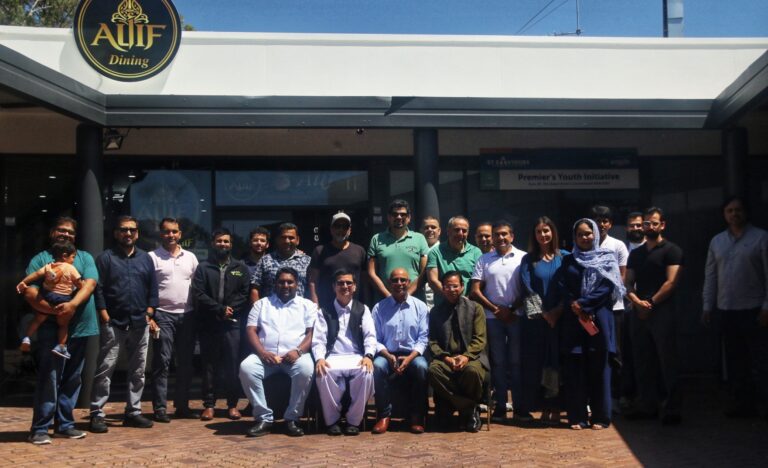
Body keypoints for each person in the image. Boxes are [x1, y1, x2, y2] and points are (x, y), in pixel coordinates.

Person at [24, 217, 98, 445]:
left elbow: (90, 284)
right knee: (50, 378)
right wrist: (59, 312)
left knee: (73, 379)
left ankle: (65, 425)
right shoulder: (41, 259)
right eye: (60, 230)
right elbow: (29, 292)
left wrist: (72, 305)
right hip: (50, 330)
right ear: (52, 233)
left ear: (75, 236)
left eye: (69, 232)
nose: (65, 234)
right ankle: (40, 428)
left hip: (82, 328)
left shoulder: (84, 257)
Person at [90, 216, 159, 433]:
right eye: (123, 230)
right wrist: (104, 315)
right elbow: (97, 288)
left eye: (132, 230)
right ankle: (97, 414)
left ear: (137, 233)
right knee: (105, 369)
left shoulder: (146, 259)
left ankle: (133, 412)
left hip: (140, 322)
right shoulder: (105, 258)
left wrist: (149, 312)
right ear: (116, 233)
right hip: (114, 322)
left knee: (138, 370)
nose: (128, 234)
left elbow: (153, 288)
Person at [702, 196, 768, 418]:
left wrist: (767, 307)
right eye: (729, 211)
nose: (734, 214)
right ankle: (742, 404)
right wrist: (707, 306)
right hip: (726, 309)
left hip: (755, 309)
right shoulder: (717, 241)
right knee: (735, 360)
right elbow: (710, 276)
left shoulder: (761, 238)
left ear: (745, 213)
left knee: (760, 359)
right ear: (724, 215)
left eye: (738, 210)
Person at [555, 218, 624, 430]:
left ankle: (601, 417)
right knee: (576, 368)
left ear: (595, 234)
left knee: (599, 368)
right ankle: (577, 417)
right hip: (574, 320)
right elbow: (561, 285)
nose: (585, 238)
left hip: (599, 318)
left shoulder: (607, 258)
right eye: (580, 234)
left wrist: (585, 304)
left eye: (588, 233)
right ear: (574, 237)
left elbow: (608, 286)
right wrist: (575, 305)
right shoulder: (569, 261)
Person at [239, 267, 316, 437]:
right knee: (247, 367)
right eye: (281, 282)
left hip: (296, 356)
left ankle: (292, 418)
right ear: (275, 284)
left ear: (297, 284)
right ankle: (264, 418)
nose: (286, 285)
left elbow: (312, 333)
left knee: (306, 369)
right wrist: (262, 353)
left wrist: (298, 351)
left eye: (290, 282)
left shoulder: (307, 305)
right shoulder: (261, 304)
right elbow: (251, 330)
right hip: (266, 356)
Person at [624, 207, 684, 425]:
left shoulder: (671, 250)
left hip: (662, 311)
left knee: (667, 360)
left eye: (654, 223)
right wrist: (636, 301)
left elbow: (671, 282)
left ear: (663, 225)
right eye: (646, 223)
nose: (649, 227)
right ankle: (647, 405)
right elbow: (628, 281)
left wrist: (651, 302)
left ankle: (671, 408)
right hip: (639, 311)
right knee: (642, 360)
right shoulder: (636, 254)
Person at [191, 227, 251, 421]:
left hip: (232, 324)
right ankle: (209, 405)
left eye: (226, 241)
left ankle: (232, 405)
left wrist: (229, 309)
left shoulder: (240, 268)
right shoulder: (203, 268)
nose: (222, 244)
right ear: (213, 243)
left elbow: (245, 292)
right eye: (219, 241)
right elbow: (198, 293)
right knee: (209, 366)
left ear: (231, 245)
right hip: (210, 323)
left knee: (232, 365)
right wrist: (219, 309)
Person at [469, 220, 525, 423]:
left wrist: (510, 309)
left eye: (505, 234)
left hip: (516, 316)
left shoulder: (522, 257)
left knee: (517, 363)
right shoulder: (484, 259)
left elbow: (527, 289)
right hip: (492, 318)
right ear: (492, 237)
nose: (501, 238)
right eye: (497, 235)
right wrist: (495, 309)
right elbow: (475, 290)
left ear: (512, 236)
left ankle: (520, 407)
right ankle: (500, 406)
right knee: (498, 363)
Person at [147, 217, 200, 422]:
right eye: (167, 231)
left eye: (174, 232)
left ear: (180, 234)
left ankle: (182, 406)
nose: (171, 235)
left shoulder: (191, 257)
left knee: (186, 363)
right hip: (162, 315)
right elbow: (147, 288)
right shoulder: (152, 257)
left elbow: (197, 287)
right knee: (162, 362)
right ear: (161, 234)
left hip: (187, 315)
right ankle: (160, 408)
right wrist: (150, 316)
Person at [312, 269, 376, 436]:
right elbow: (318, 340)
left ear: (354, 287)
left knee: (367, 372)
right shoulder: (323, 312)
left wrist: (368, 356)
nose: (345, 286)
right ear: (334, 287)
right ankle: (332, 420)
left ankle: (353, 421)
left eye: (349, 283)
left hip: (356, 356)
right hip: (333, 357)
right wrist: (319, 358)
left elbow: (370, 337)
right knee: (323, 372)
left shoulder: (363, 309)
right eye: (340, 283)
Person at [518, 216, 568, 425]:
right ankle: (541, 406)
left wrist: (557, 311)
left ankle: (557, 405)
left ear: (553, 232)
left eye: (546, 230)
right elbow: (526, 287)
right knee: (537, 364)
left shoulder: (565, 257)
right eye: (539, 232)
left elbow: (570, 285)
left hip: (561, 320)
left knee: (558, 362)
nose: (543, 235)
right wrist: (545, 313)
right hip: (537, 322)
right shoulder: (528, 260)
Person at [371, 268, 430, 435]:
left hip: (412, 355)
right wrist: (388, 356)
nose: (399, 284)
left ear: (408, 282)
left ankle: (416, 416)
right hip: (387, 354)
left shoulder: (420, 307)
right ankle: (384, 415)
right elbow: (374, 339)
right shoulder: (379, 308)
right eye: (395, 280)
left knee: (422, 367)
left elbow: (423, 338)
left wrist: (410, 358)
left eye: (403, 280)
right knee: (377, 367)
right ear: (389, 283)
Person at [428, 271, 489, 433]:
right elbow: (432, 341)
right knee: (433, 370)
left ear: (462, 287)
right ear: (442, 288)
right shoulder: (435, 312)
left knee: (472, 371)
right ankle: (470, 409)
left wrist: (466, 356)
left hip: (471, 357)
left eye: (455, 286)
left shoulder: (475, 308)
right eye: (447, 286)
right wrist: (446, 358)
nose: (451, 289)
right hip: (446, 358)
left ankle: (454, 406)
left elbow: (480, 339)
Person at [590, 205, 629, 411]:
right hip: (591, 309)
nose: (601, 224)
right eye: (597, 220)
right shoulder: (586, 243)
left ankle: (618, 395)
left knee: (616, 353)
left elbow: (622, 277)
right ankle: (595, 397)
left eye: (605, 220)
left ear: (610, 224)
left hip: (614, 307)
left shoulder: (618, 245)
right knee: (595, 353)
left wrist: (604, 294)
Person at [17, 241, 82, 358]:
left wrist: (23, 281)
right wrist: (81, 286)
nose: (73, 260)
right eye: (73, 257)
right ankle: (61, 346)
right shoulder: (70, 268)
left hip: (48, 297)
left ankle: (26, 338)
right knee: (63, 325)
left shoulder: (49, 266)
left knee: (38, 319)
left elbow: (36, 274)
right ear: (65, 256)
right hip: (63, 299)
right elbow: (78, 283)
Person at [367, 199, 429, 301]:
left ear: (409, 218)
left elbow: (424, 272)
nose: (399, 217)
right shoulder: (376, 239)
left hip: (414, 300)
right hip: (385, 301)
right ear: (389, 217)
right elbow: (371, 273)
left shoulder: (420, 238)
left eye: (403, 214)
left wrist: (407, 296)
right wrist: (389, 297)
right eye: (395, 214)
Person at [308, 212, 367, 311]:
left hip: (354, 308)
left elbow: (365, 282)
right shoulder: (320, 251)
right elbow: (313, 281)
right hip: (326, 308)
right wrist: (315, 306)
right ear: (331, 229)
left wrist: (366, 305)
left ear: (350, 230)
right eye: (337, 226)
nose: (341, 230)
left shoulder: (359, 251)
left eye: (345, 227)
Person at [427, 216, 482, 306]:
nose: (460, 233)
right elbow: (433, 281)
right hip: (443, 307)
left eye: (464, 231)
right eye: (457, 230)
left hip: (469, 305)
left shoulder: (476, 252)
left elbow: (478, 282)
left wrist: (465, 301)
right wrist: (452, 298)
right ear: (448, 231)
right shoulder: (435, 252)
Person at [251, 222, 311, 301]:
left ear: (297, 240)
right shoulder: (265, 260)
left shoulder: (307, 261)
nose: (287, 241)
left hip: (299, 311)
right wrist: (257, 310)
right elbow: (255, 288)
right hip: (271, 311)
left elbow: (313, 288)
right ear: (277, 240)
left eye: (291, 238)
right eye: (283, 237)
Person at [420, 216, 441, 309]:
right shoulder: (415, 251)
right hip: (419, 300)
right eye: (426, 227)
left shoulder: (444, 251)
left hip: (438, 302)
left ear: (439, 231)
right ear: (421, 231)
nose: (430, 230)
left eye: (433, 227)